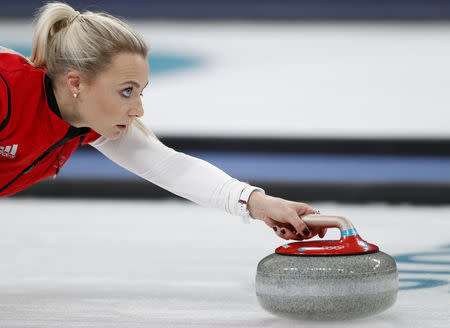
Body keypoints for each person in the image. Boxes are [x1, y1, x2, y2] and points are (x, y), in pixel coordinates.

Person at [0, 2, 326, 241]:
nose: (138, 109)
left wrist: (259, 203)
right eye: (126, 91)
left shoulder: (88, 121)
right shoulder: (7, 89)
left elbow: (168, 167)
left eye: (140, 92)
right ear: (75, 83)